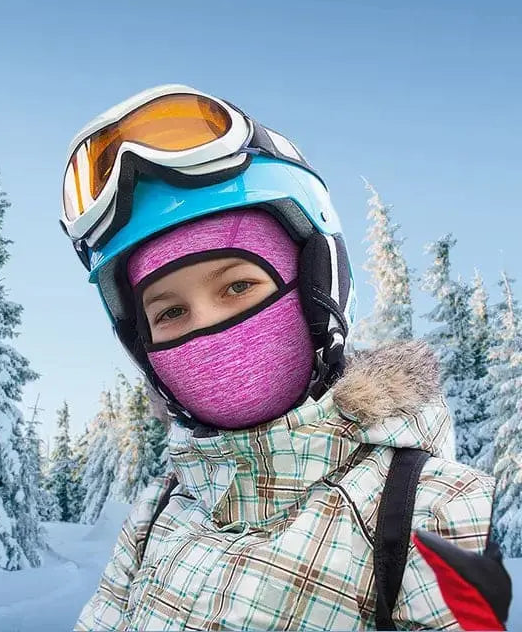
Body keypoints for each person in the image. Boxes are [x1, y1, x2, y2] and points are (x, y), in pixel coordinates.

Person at [61, 85, 511, 631]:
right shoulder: (158, 512)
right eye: (171, 313)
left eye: (237, 286)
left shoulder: (431, 508)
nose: (206, 326)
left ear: (316, 289)